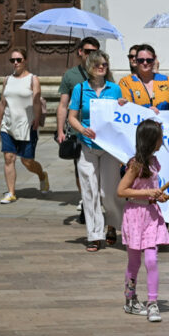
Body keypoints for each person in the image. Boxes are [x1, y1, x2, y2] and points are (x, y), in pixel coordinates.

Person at [68, 50, 125, 252]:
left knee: (108, 193)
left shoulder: (115, 89)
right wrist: (82, 129)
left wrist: (122, 107)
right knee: (90, 191)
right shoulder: (80, 89)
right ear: (90, 67)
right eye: (98, 64)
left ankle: (113, 225)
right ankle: (94, 235)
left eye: (105, 64)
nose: (102, 67)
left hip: (109, 148)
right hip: (87, 146)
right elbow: (72, 116)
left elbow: (121, 117)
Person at [116, 119, 169, 322]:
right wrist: (148, 192)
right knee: (134, 261)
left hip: (151, 215)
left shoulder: (154, 162)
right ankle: (130, 298)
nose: (162, 140)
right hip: (135, 216)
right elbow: (122, 190)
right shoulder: (135, 164)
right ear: (151, 140)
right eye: (160, 137)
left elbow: (149, 191)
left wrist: (158, 196)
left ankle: (153, 303)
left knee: (151, 259)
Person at [0, 48, 49, 203]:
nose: (16, 63)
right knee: (8, 157)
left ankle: (42, 175)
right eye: (13, 60)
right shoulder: (7, 79)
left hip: (27, 125)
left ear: (25, 60)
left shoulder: (33, 79)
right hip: (8, 124)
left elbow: (37, 101)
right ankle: (11, 192)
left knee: (27, 161)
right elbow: (2, 103)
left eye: (19, 60)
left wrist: (37, 119)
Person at [56, 37, 101, 219]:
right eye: (88, 51)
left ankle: (95, 201)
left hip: (99, 131)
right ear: (80, 52)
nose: (91, 55)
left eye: (95, 51)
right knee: (82, 170)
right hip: (77, 131)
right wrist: (60, 130)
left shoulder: (102, 71)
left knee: (99, 172)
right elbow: (63, 105)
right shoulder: (71, 75)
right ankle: (86, 202)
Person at [119, 44, 169, 112]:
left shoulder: (166, 81)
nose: (145, 63)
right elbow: (127, 108)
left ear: (154, 59)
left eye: (149, 60)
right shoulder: (126, 82)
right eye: (141, 60)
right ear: (136, 60)